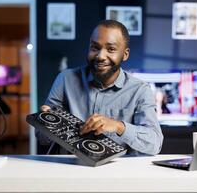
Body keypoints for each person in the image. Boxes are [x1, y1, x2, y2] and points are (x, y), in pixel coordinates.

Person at [37, 20, 163, 155]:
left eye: (111, 49)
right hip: (70, 168)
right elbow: (42, 139)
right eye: (95, 48)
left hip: (116, 172)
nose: (100, 56)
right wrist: (47, 123)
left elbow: (155, 144)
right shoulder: (65, 79)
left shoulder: (140, 90)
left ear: (125, 54)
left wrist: (118, 126)